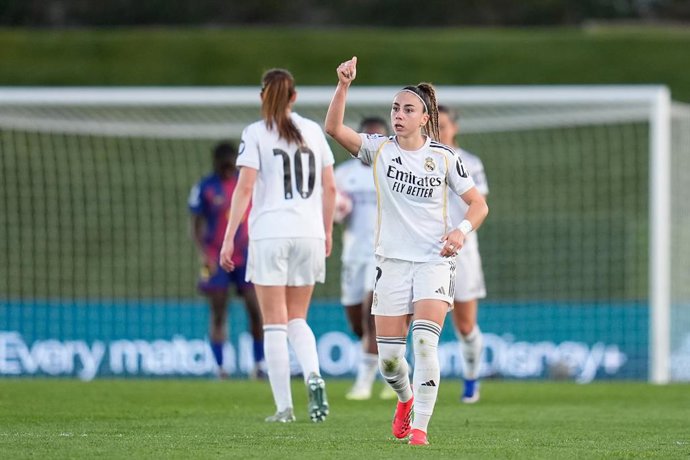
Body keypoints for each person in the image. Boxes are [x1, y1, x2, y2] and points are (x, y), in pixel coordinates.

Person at [325, 56, 488, 446]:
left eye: (407, 109)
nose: (398, 115)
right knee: (390, 362)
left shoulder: (446, 158)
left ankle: (421, 430)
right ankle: (405, 399)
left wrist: (462, 230)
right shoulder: (378, 150)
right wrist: (343, 86)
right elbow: (333, 129)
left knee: (425, 342)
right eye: (395, 108)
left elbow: (478, 205)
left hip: (435, 261)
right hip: (392, 264)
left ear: (424, 118)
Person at [219, 68, 336, 424]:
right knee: (298, 316)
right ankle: (313, 373)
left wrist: (228, 238)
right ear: (294, 97)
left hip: (271, 232)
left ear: (262, 97)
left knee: (274, 323)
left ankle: (284, 408)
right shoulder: (313, 131)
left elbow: (244, 189)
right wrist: (327, 231)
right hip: (310, 232)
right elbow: (330, 188)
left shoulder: (256, 133)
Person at [188, 141, 265, 379]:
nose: (228, 169)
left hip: (246, 255)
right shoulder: (205, 187)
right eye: (224, 165)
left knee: (256, 309)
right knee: (219, 311)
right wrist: (204, 254)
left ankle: (259, 365)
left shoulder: (249, 184)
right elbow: (195, 223)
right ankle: (220, 367)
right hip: (215, 257)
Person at [334, 116, 396, 401]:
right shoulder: (343, 175)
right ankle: (392, 364)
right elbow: (331, 212)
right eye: (368, 138)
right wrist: (335, 214)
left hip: (382, 253)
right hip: (352, 255)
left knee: (370, 315)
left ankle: (363, 383)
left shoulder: (392, 173)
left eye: (378, 139)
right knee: (356, 323)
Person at [438, 105, 489, 403]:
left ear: (454, 127)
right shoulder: (417, 159)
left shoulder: (469, 162)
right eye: (434, 125)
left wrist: (462, 233)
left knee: (465, 324)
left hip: (462, 251)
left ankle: (471, 377)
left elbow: (479, 204)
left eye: (443, 125)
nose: (439, 131)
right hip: (425, 250)